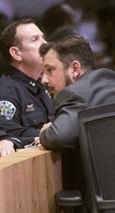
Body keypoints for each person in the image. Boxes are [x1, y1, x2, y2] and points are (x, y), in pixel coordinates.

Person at [38, 35, 115, 212]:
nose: (44, 80)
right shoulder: (110, 80)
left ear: (74, 69)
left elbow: (58, 137)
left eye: (50, 70)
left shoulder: (75, 93)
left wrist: (47, 131)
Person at [0, 18, 54, 146]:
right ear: (16, 53)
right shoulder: (5, 92)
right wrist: (44, 133)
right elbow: (7, 133)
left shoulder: (42, 84)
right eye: (35, 40)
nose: (45, 43)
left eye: (43, 38)